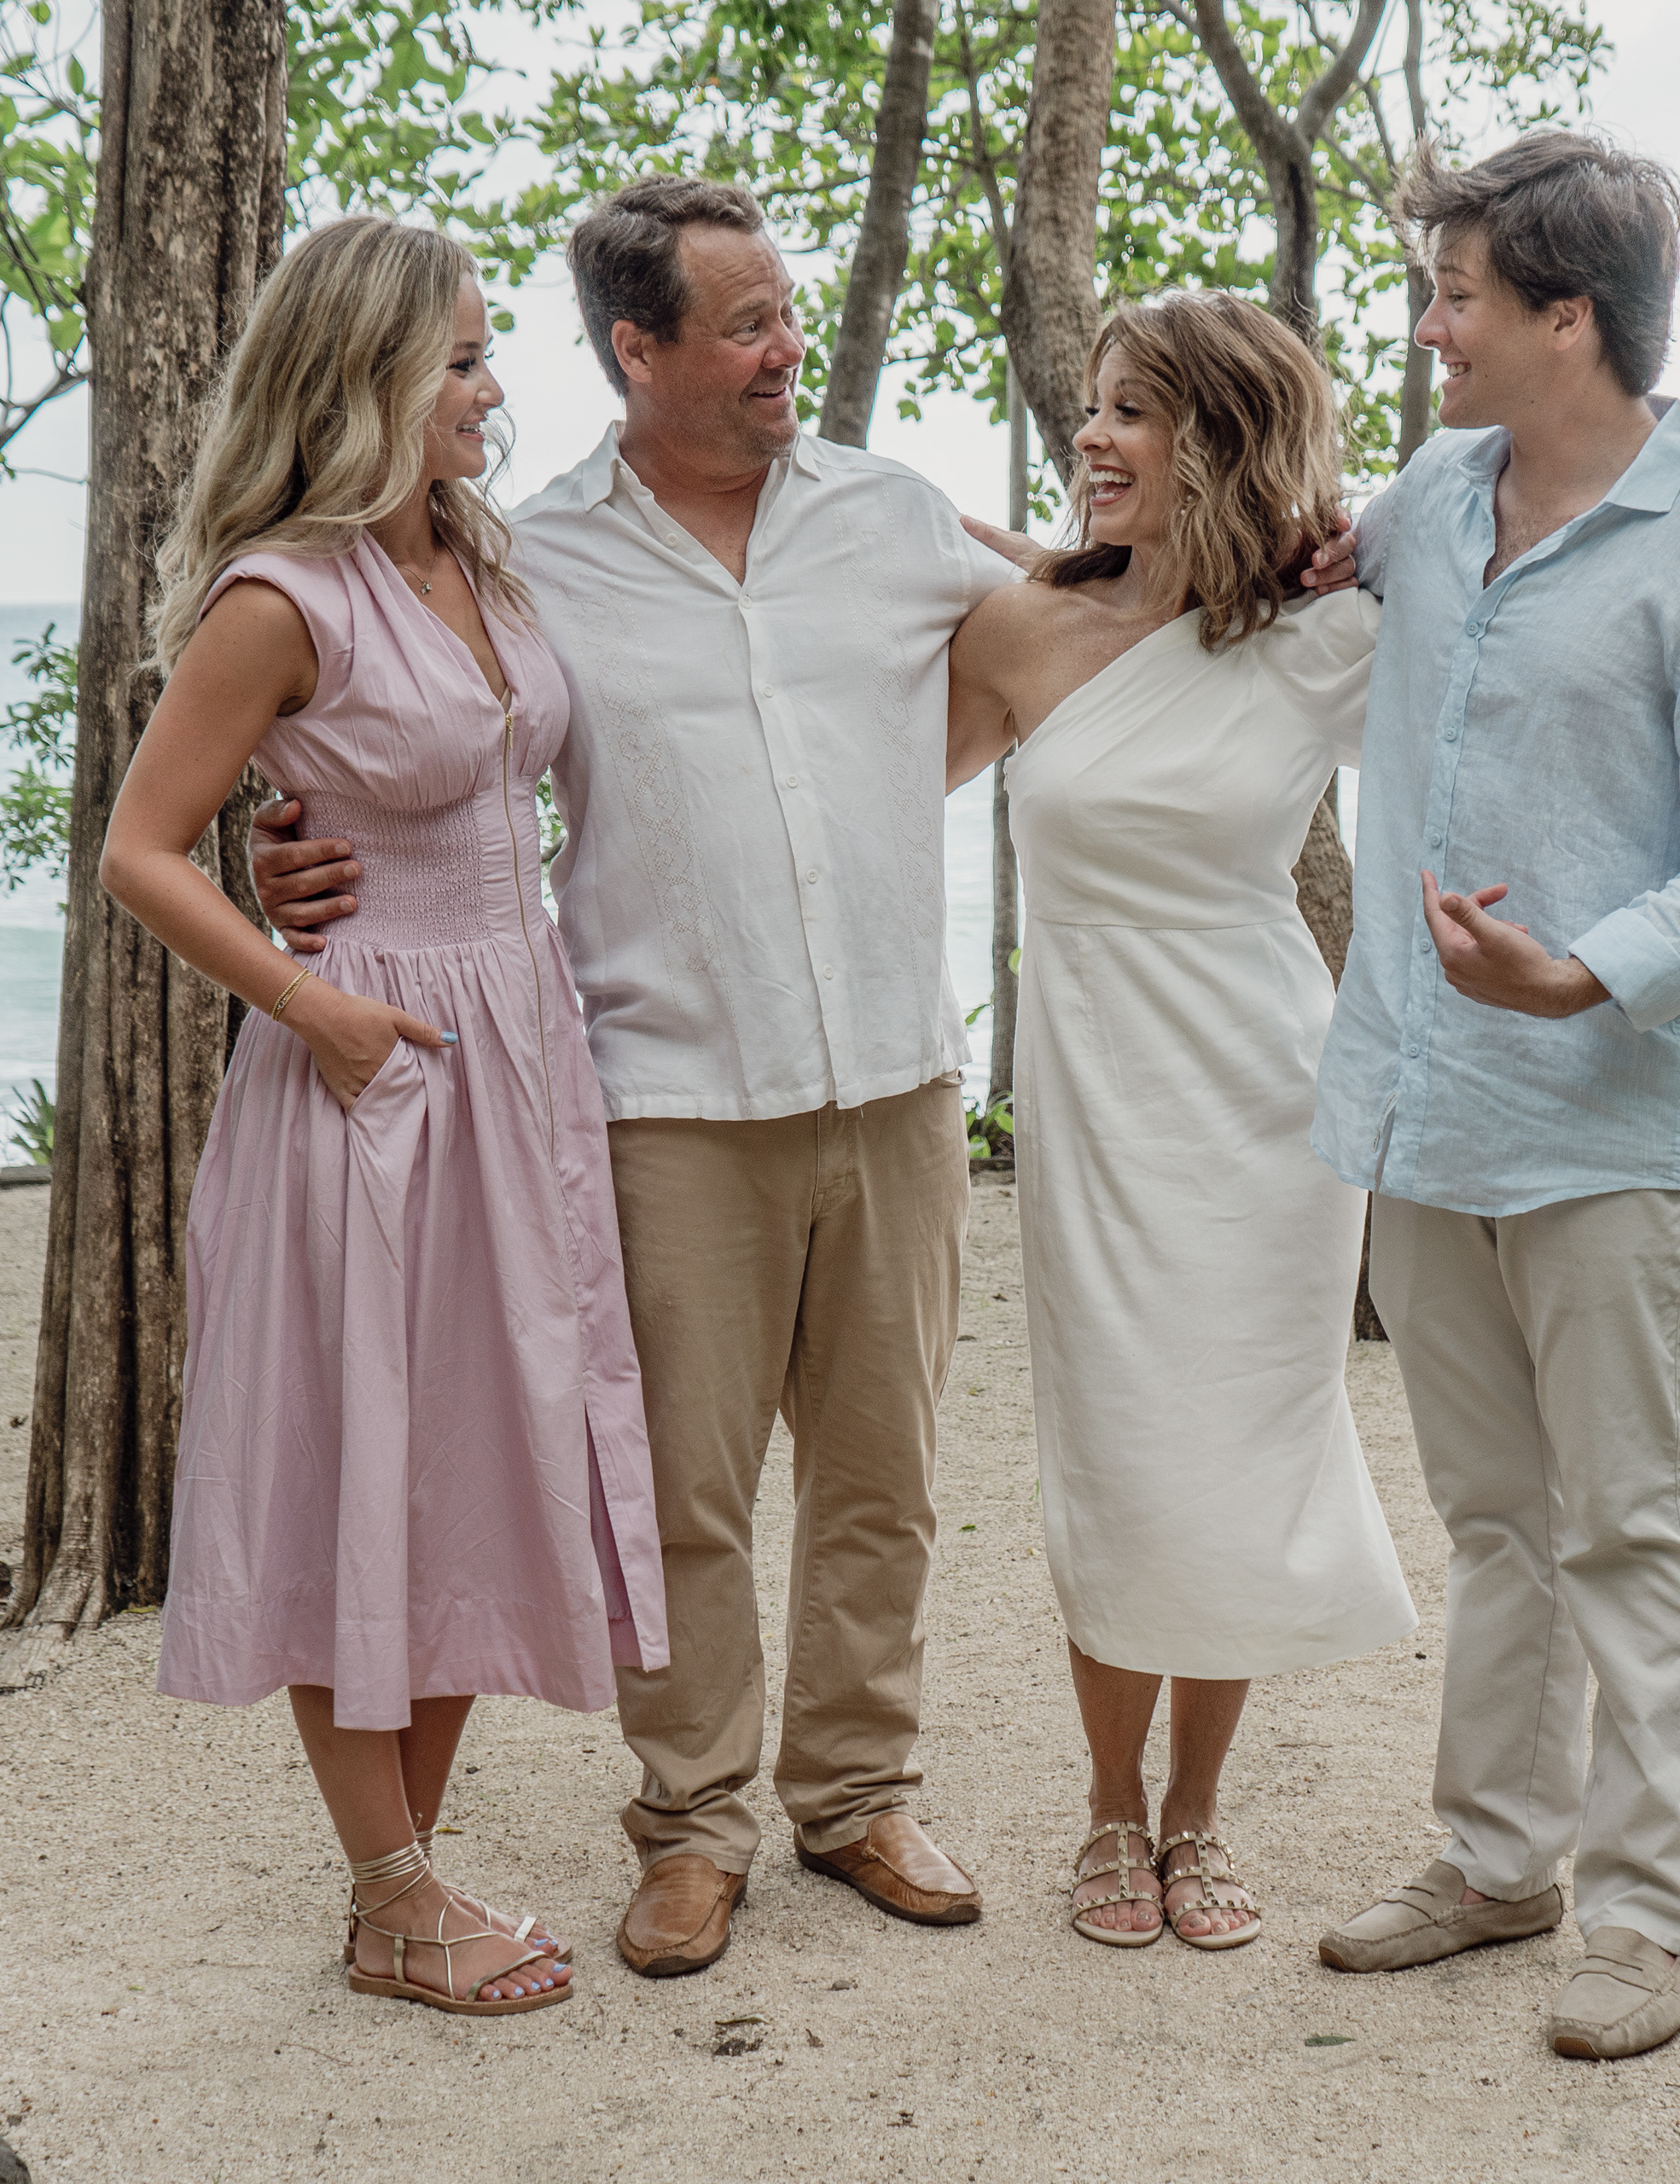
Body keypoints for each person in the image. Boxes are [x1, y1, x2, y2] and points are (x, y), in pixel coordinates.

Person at [247, 179, 1322, 1978]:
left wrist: (1297, 553)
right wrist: (283, 843)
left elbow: (1090, 608)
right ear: (636, 348)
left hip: (897, 1079)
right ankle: (691, 1825)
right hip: (665, 1091)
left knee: (882, 1481)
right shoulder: (528, 558)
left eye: (788, 313)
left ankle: (857, 1794)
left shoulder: (890, 514)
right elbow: (395, 722)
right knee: (682, 1492)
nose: (784, 350)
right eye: (744, 325)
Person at [1309, 131, 1680, 2063]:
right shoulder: (1428, 497)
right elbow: (1305, 564)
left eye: (1455, 296)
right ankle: (1496, 1861)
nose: (1427, 329)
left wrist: (1585, 968)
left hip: (1608, 1114)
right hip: (1422, 1100)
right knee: (1495, 1516)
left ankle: (1651, 1918)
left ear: (1568, 318)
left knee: (1625, 1523)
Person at [100, 215, 666, 2018]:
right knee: (359, 1452)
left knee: (480, 1449)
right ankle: (393, 1888)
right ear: (369, 377)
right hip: (372, 1065)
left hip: (522, 1056)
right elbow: (138, 850)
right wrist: (314, 1002)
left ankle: (402, 1878)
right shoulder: (281, 598)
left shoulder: (483, 556)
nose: (496, 390)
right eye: (465, 360)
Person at [943, 293, 1414, 1954]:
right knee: (1118, 1452)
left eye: (1131, 410)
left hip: (1265, 1099)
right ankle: (1107, 1803)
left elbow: (1514, 670)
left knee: (1241, 1450)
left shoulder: (1321, 638)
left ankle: (1197, 1811)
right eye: (1094, 405)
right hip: (1095, 1100)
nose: (1091, 435)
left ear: (1218, 438)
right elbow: (850, 793)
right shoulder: (1019, 627)